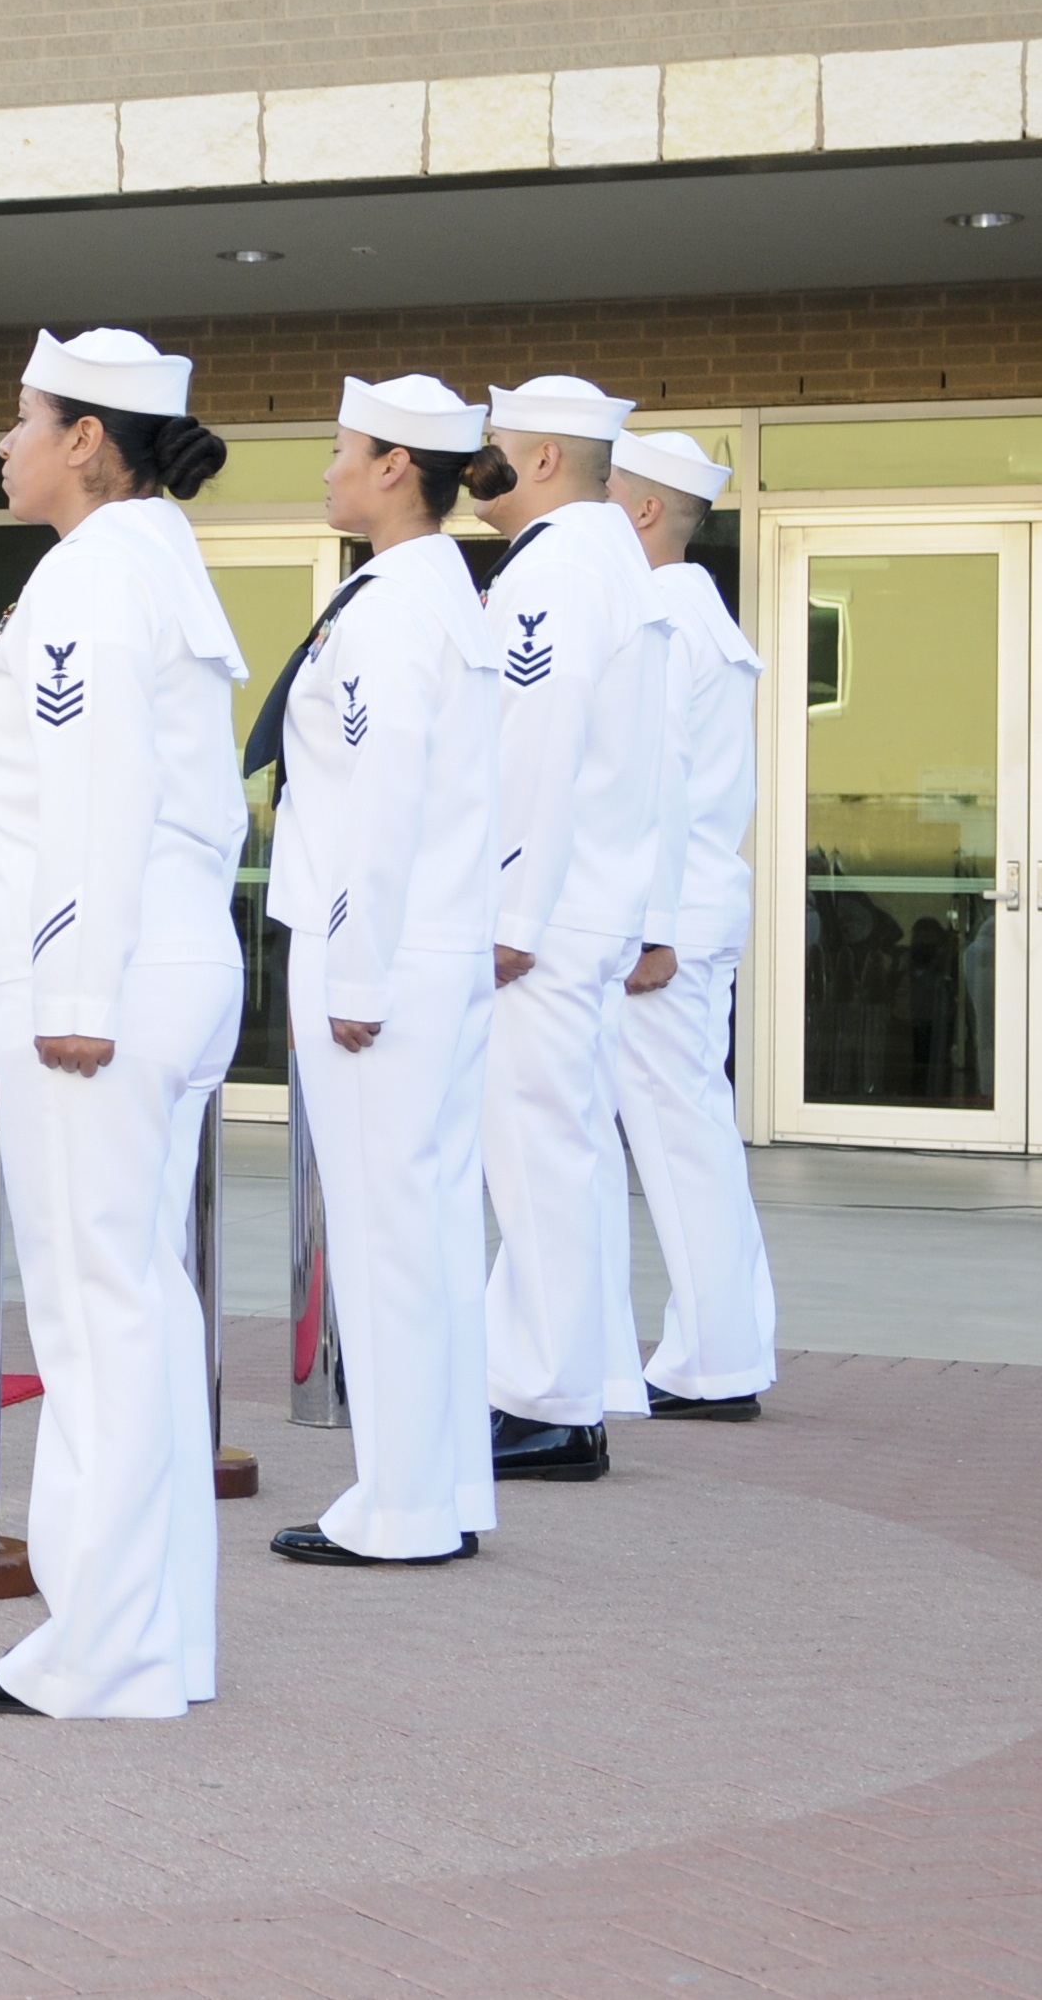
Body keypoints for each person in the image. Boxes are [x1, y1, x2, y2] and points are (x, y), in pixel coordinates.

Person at [0, 328, 242, 1721]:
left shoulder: (84, 576)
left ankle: (98, 1652)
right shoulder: (155, 562)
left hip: (101, 983)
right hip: (166, 962)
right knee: (141, 1304)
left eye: (21, 418)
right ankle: (155, 1635)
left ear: (85, 439)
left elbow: (90, 787)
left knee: (92, 1315)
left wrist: (65, 994)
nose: (2, 443)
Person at [253, 377, 506, 1568]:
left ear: (398, 466)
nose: (326, 470)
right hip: (432, 940)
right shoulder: (431, 598)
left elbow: (378, 796)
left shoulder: (393, 610)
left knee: (383, 1227)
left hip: (382, 949)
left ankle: (402, 1504)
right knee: (432, 1225)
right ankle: (441, 1485)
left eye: (341, 450)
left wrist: (351, 970)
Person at [472, 373, 668, 1483]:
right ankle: (571, 1384)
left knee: (536, 1154)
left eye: (496, 442)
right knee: (564, 1152)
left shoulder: (554, 569)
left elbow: (532, 747)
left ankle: (543, 1403)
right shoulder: (602, 562)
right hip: (578, 902)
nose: (482, 460)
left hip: (539, 912)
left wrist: (505, 912)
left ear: (542, 458)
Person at [604, 430, 778, 1422]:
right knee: (693, 1135)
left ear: (638, 513)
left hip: (663, 917)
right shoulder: (700, 611)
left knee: (677, 1142)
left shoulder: (663, 616)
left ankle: (713, 1362)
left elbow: (656, 780)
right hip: (694, 905)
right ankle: (720, 1345)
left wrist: (650, 926)